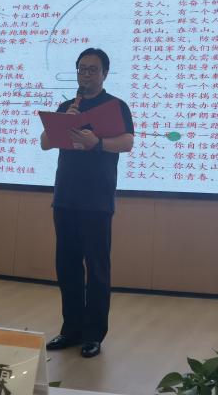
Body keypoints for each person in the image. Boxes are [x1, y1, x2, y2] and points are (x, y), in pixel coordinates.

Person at [41, 48, 134, 359]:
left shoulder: (115, 106)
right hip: (65, 197)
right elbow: (45, 143)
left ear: (105, 73)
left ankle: (93, 334)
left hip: (96, 199)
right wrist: (61, 124)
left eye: (93, 69)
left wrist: (98, 143)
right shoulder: (66, 106)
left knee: (97, 269)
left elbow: (127, 142)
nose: (86, 74)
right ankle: (71, 330)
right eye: (82, 68)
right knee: (67, 267)